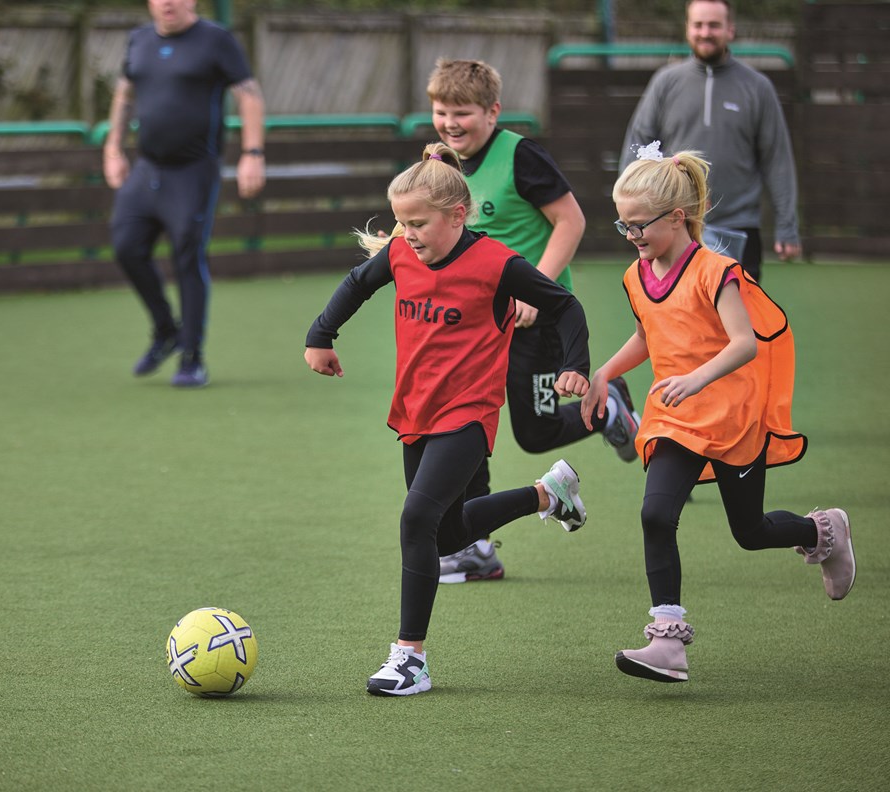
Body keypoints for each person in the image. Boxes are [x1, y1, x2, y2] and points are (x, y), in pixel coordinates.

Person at [304, 143, 593, 696]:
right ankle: (546, 495)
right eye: (400, 222)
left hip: (469, 413)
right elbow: (357, 283)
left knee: (416, 520)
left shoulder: (496, 264)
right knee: (445, 536)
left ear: (457, 216)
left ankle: (409, 658)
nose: (407, 234)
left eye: (418, 223)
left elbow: (564, 306)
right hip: (415, 410)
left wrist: (574, 365)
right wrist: (321, 335)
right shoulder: (400, 254)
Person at [581, 144, 853, 684]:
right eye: (624, 226)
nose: (632, 237)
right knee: (656, 514)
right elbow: (647, 333)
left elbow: (743, 343)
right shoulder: (637, 275)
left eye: (640, 227)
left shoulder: (717, 270)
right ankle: (667, 640)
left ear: (676, 217)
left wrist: (697, 376)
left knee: (748, 531)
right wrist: (606, 372)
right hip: (672, 417)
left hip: (731, 414)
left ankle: (823, 531)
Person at [425, 58, 641, 584]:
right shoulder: (442, 162)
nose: (451, 123)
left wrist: (537, 293)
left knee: (536, 433)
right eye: (440, 111)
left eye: (463, 113)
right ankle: (474, 548)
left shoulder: (522, 157)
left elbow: (572, 221)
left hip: (535, 323)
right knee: (464, 426)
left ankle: (608, 405)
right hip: (474, 326)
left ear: (493, 111)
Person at [103, 0, 266, 388]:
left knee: (187, 256)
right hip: (146, 169)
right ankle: (166, 329)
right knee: (126, 247)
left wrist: (252, 153)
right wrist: (113, 147)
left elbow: (249, 95)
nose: (168, 2)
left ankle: (192, 356)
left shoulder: (215, 40)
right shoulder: (138, 40)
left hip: (193, 171)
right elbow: (125, 94)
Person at [620, 0, 801, 282]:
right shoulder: (665, 82)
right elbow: (638, 144)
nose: (706, 32)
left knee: (740, 321)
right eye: (698, 25)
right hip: (677, 227)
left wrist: (787, 227)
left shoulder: (757, 87)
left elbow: (777, 160)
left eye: (714, 25)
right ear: (687, 29)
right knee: (679, 320)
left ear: (730, 30)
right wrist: (633, 218)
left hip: (739, 229)